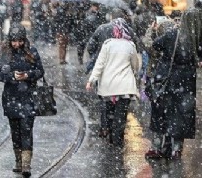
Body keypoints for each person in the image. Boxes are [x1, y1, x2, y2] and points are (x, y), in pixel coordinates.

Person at [145, 8, 202, 159]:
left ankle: (156, 148)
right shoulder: (197, 39)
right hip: (187, 83)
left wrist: (152, 32)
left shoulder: (173, 35)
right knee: (181, 115)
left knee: (160, 113)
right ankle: (176, 149)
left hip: (168, 79)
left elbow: (155, 45)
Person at [0, 23, 44, 177]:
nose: (17, 44)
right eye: (14, 41)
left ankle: (26, 165)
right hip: (11, 98)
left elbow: (40, 71)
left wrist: (28, 75)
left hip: (29, 98)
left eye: (20, 40)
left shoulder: (31, 51)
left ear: (24, 39)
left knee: (26, 130)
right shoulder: (4, 53)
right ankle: (18, 162)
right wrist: (11, 77)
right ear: (10, 40)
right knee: (15, 132)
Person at [86, 19, 139, 147]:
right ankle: (117, 139)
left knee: (109, 112)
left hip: (108, 86)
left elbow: (99, 64)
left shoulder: (107, 44)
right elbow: (135, 65)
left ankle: (109, 132)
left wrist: (91, 80)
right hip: (124, 87)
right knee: (121, 115)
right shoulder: (130, 45)